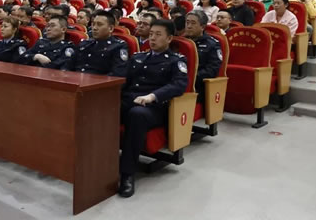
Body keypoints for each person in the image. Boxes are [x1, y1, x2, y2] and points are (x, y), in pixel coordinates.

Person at [118, 19, 188, 198]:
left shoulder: (176, 60)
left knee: (137, 114)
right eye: (151, 34)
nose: (152, 38)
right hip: (130, 100)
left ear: (169, 38)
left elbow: (179, 85)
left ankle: (127, 174)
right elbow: (124, 81)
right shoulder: (138, 57)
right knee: (101, 108)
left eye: (158, 35)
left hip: (155, 107)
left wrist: (152, 96)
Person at [65, 10, 129, 77]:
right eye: (93, 24)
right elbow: (68, 66)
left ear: (111, 28)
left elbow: (118, 74)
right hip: (75, 80)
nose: (94, 28)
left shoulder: (117, 47)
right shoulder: (84, 44)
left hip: (99, 82)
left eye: (99, 24)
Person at [183, 11, 222, 102]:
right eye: (187, 22)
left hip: (197, 85)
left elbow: (212, 70)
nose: (189, 26)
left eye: (193, 23)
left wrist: (189, 77)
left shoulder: (212, 44)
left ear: (202, 27)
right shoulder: (181, 41)